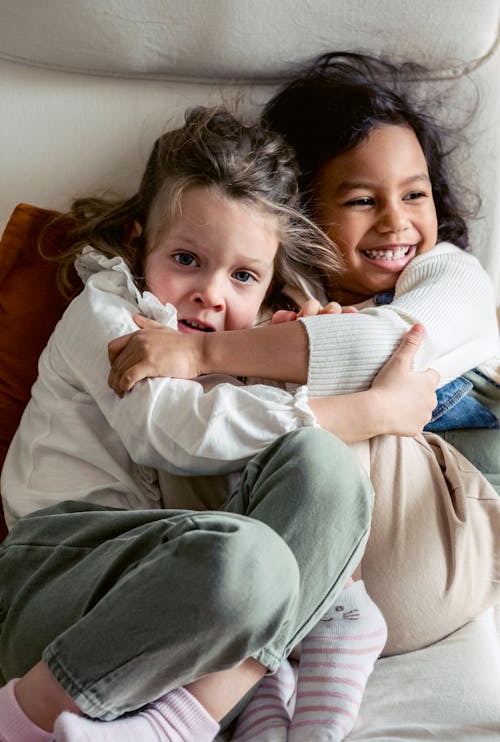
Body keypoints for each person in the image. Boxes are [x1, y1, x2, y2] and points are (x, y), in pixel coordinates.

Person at [0, 106, 435, 742]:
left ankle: (225, 707)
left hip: (182, 623)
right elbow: (174, 430)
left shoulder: (243, 341)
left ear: (268, 283)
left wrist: (280, 368)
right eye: (185, 258)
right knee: (250, 560)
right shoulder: (112, 318)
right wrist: (368, 411)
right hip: (58, 579)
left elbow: (278, 444)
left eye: (243, 275)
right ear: (136, 243)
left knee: (322, 466)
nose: (211, 293)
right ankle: (24, 718)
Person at [106, 52, 500, 662]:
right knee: (210, 413)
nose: (398, 222)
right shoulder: (259, 298)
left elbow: (380, 347)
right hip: (271, 572)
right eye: (362, 201)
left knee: (333, 414)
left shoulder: (451, 276)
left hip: (431, 553)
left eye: (415, 194)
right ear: (303, 216)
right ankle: (258, 665)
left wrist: (201, 351)